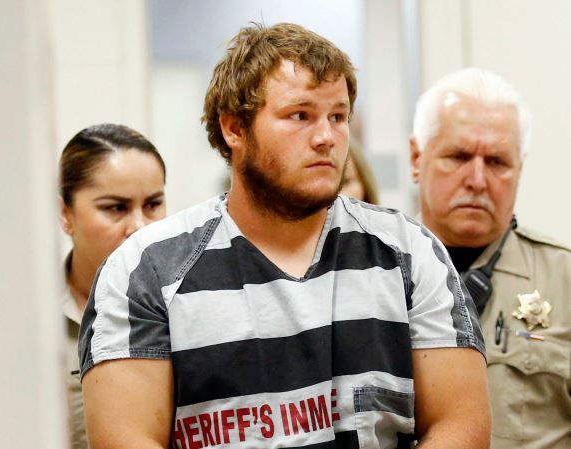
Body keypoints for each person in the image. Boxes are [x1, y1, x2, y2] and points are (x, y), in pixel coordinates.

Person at [79, 23, 490, 449]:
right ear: (234, 129)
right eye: (300, 115)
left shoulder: (410, 251)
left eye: (338, 116)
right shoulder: (145, 270)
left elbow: (460, 425)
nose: (326, 138)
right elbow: (127, 438)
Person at [409, 68, 571, 449]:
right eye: (458, 156)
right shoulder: (372, 274)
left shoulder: (563, 280)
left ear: (519, 170)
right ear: (417, 158)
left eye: (497, 161)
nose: (478, 180)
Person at [59, 123, 167, 448]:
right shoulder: (23, 319)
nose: (139, 226)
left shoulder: (188, 306)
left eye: (153, 204)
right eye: (115, 208)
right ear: (65, 213)